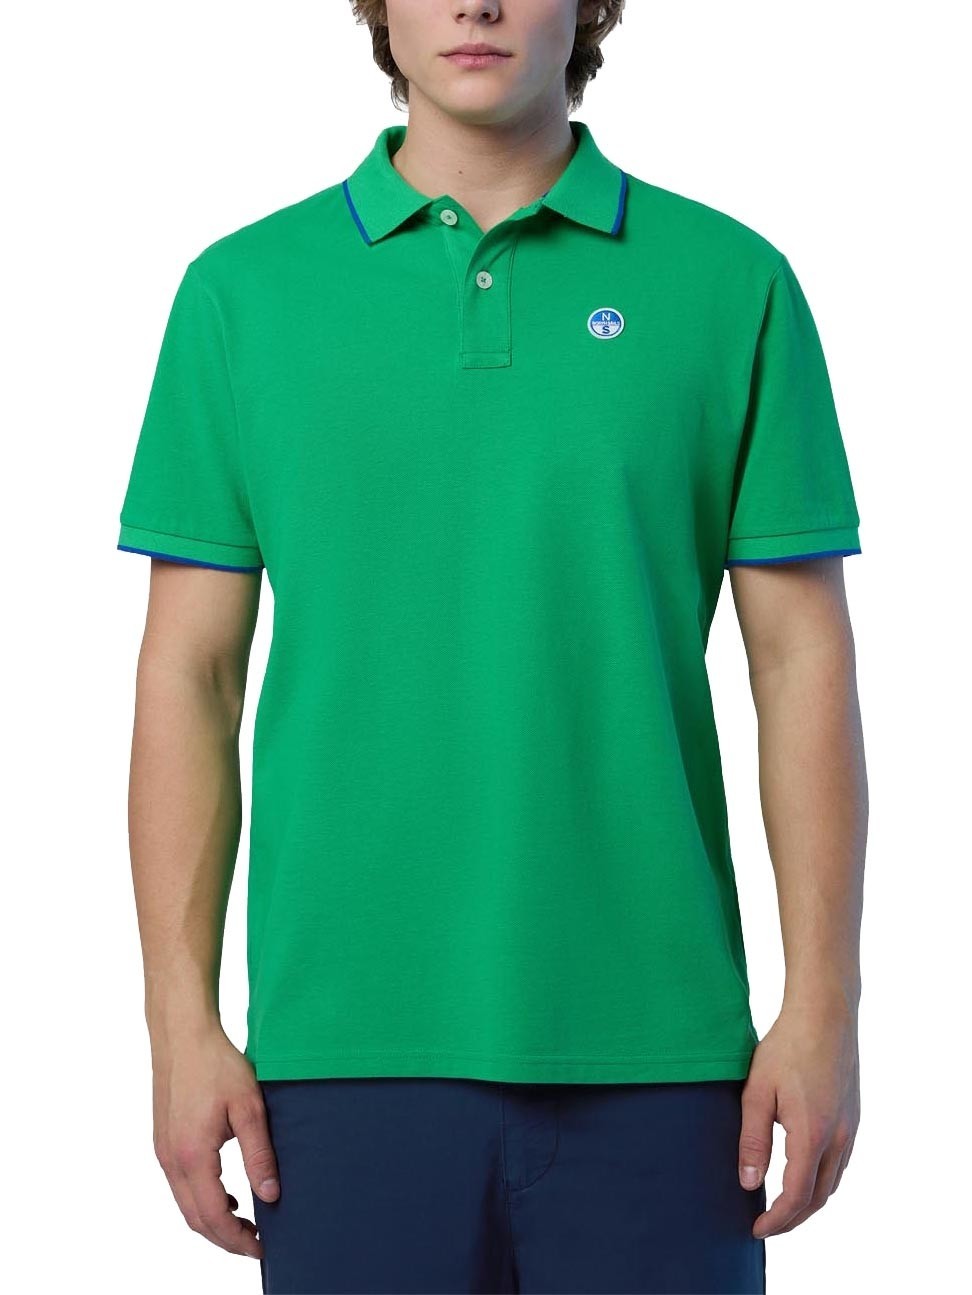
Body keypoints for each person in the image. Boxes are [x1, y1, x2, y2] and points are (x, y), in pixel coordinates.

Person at [116, 2, 866, 1292]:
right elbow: (191, 678)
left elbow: (802, 667)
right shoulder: (242, 295)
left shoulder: (729, 282)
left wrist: (826, 1006)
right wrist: (177, 1025)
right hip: (340, 1059)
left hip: (666, 1059)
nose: (475, 3)